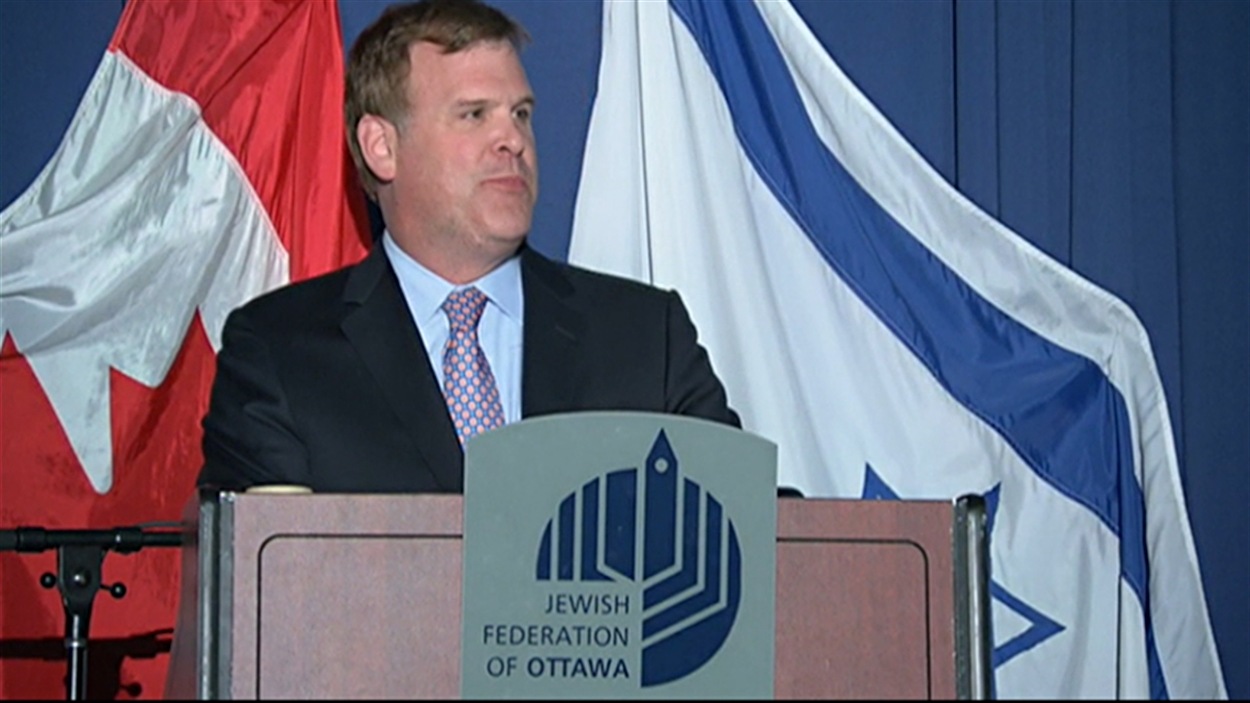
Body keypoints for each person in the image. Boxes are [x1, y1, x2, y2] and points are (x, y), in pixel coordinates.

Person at [196, 0, 739, 494]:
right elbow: (262, 583)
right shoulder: (280, 355)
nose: (514, 140)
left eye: (521, 114)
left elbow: (747, 533)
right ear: (382, 147)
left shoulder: (645, 339)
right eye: (475, 114)